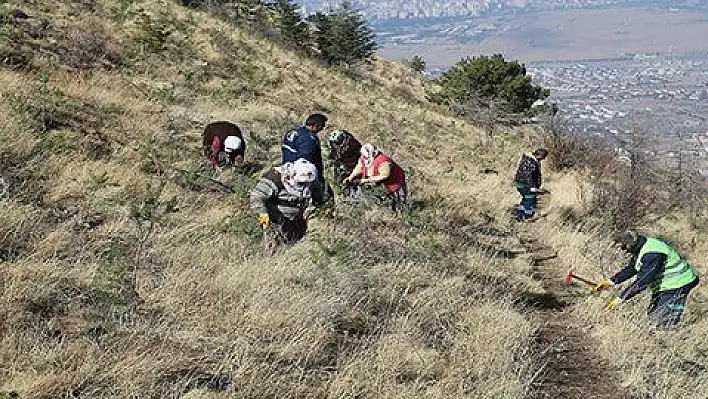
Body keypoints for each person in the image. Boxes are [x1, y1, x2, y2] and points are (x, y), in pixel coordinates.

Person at [592, 230, 700, 329]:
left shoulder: (652, 254)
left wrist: (620, 299)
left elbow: (642, 281)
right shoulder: (641, 246)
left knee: (662, 320)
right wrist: (611, 282)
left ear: (630, 244)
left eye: (624, 247)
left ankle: (670, 340)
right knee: (653, 316)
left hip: (679, 283)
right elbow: (633, 268)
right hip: (668, 284)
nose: (623, 250)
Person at [250, 159, 324, 246]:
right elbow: (256, 196)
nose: (304, 185)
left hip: (298, 219)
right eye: (301, 183)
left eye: (307, 183)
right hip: (275, 221)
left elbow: (320, 196)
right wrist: (263, 215)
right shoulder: (275, 178)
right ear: (293, 175)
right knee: (275, 247)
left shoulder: (310, 177)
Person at [343, 143, 407, 212]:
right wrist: (351, 176)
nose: (363, 157)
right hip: (380, 182)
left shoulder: (383, 161)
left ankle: (400, 214)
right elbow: (360, 167)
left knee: (399, 202)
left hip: (395, 182)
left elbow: (384, 175)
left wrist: (366, 180)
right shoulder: (364, 157)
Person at [282, 114, 327, 183]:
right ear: (315, 125)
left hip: (286, 168)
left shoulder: (294, 131)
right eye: (322, 126)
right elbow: (305, 160)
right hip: (300, 175)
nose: (322, 128)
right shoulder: (309, 139)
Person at [513, 148, 548, 221]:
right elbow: (527, 175)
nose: (544, 159)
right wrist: (532, 187)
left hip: (523, 183)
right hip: (524, 184)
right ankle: (526, 217)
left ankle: (519, 214)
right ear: (540, 156)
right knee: (530, 199)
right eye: (543, 157)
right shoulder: (530, 161)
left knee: (527, 199)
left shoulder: (533, 160)